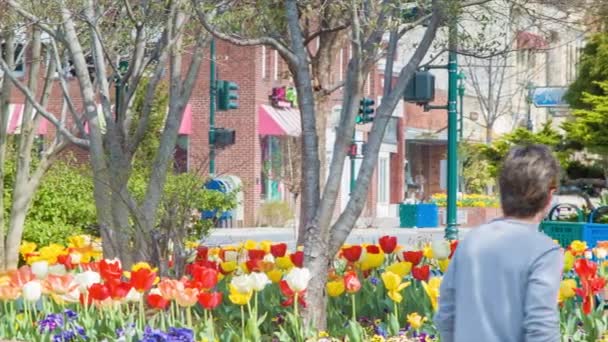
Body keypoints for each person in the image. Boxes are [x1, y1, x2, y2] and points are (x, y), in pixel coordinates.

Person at [435, 145, 563, 342]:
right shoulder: (544, 251)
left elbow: (446, 315)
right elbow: (541, 328)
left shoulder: (472, 241)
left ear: (502, 191)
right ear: (549, 196)